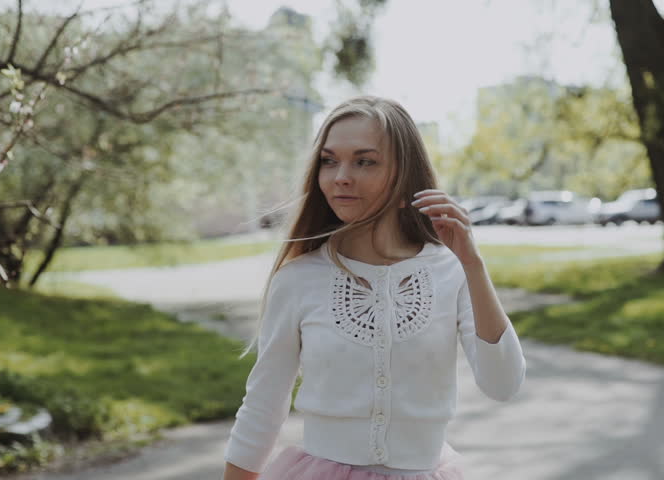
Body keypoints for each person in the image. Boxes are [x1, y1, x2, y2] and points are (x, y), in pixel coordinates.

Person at [222, 96, 526, 480]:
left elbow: (503, 384)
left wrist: (473, 265)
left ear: (405, 175)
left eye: (365, 161)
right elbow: (263, 406)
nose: (341, 176)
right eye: (329, 161)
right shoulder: (298, 278)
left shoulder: (452, 270)